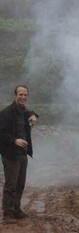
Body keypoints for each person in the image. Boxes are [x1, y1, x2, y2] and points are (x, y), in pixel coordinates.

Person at [0, 85, 38, 224]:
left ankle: (16, 209)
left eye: (25, 95)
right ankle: (7, 214)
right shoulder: (6, 113)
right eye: (20, 94)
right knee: (11, 185)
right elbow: (1, 134)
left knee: (20, 184)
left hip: (22, 153)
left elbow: (30, 113)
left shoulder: (24, 111)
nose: (23, 97)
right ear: (15, 95)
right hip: (10, 154)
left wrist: (34, 115)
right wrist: (14, 140)